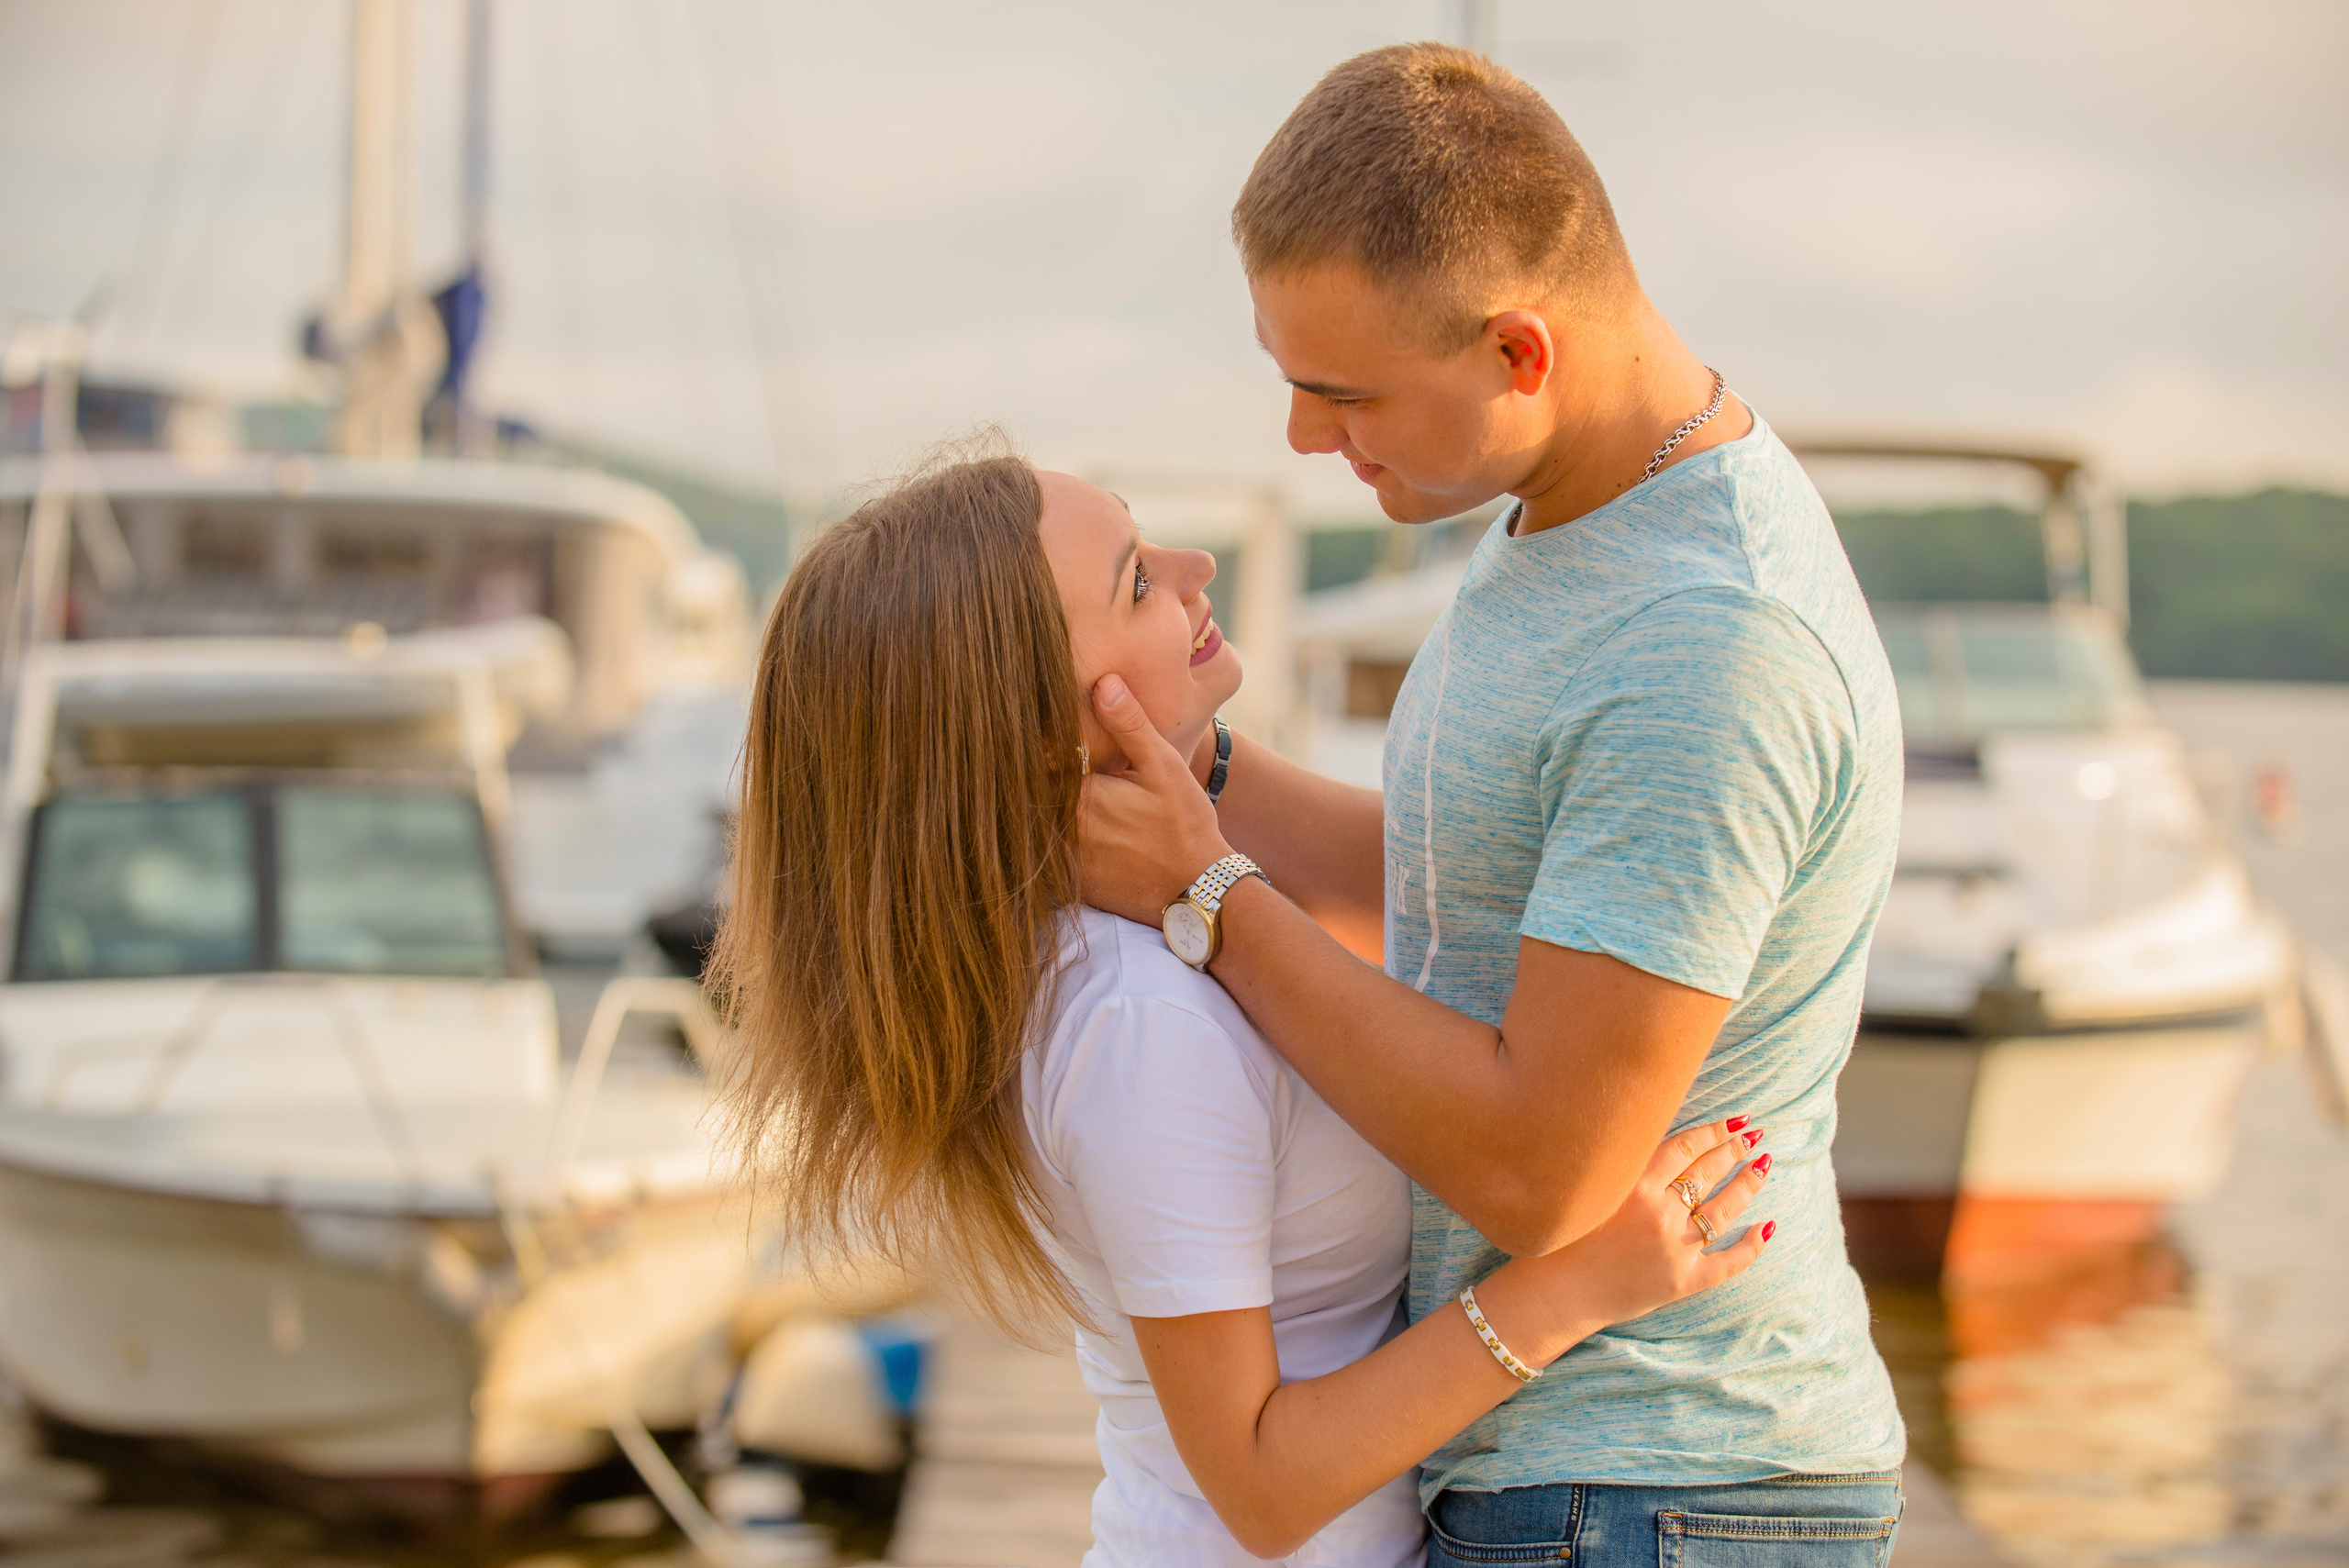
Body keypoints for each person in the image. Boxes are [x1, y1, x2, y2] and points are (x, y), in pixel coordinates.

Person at [1076, 43, 1909, 1562]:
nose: (1303, 437)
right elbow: (1467, 885)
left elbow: (1545, 1173)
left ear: (1521, 352)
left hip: (1660, 1484)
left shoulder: (1704, 638)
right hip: (1587, 1477)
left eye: (1342, 394)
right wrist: (1197, 773)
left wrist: (1210, 900)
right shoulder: (1569, 503)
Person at [708, 442, 1776, 1566]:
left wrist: (1192, 790)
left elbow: (1442, 913)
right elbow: (1262, 1484)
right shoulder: (1136, 1015)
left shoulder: (1124, 944)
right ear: (1037, 729)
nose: (1194, 567)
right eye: (1136, 581)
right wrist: (1575, 1285)